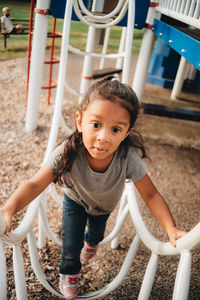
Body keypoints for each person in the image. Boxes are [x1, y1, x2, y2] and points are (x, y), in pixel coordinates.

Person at [0, 76, 186, 299]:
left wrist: (171, 228)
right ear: (80, 121)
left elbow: (151, 194)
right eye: (96, 125)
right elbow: (34, 184)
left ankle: (92, 242)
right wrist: (8, 209)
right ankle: (69, 272)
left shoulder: (127, 157)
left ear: (127, 132)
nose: (103, 138)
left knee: (95, 236)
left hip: (104, 205)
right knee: (71, 242)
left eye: (116, 130)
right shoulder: (67, 152)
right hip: (75, 200)